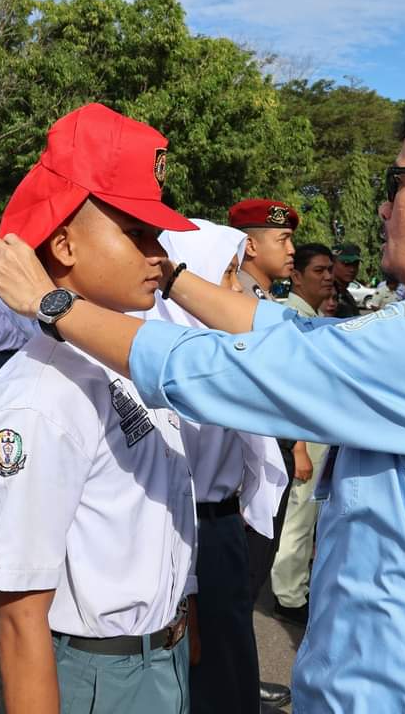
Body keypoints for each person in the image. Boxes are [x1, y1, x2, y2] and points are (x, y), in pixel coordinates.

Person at [0, 78, 405, 713]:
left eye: (395, 185)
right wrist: (175, 279)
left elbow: (231, 368)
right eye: (138, 235)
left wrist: (53, 304)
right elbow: (302, 335)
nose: (381, 209)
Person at [0, 102, 202, 714]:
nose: (160, 254)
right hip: (104, 675)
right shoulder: (41, 400)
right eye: (136, 233)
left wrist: (183, 623)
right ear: (65, 244)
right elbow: (21, 619)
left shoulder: (121, 359)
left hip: (159, 658)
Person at [143, 219, 289, 714]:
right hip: (192, 532)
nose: (231, 290)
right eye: (225, 275)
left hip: (224, 524)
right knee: (203, 659)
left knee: (230, 647)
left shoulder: (217, 351)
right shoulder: (172, 369)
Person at [227, 197, 297, 708]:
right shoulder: (234, 303)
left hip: (272, 451)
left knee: (246, 586)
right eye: (282, 240)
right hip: (248, 461)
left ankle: (236, 682)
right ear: (249, 245)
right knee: (239, 583)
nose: (290, 249)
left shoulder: (265, 301)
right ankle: (232, 689)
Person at [270, 243, 334, 628]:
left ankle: (295, 586)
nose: (327, 277)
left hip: (314, 434)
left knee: (305, 518)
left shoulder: (309, 314)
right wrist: (298, 448)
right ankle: (289, 595)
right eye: (318, 271)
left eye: (330, 270)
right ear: (296, 277)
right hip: (303, 438)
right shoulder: (291, 316)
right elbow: (287, 390)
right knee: (297, 518)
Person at [229, 198, 297, 301]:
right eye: (282, 240)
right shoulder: (239, 299)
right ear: (250, 247)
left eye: (290, 240)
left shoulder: (263, 295)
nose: (291, 250)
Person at [329, 243, 362, 317]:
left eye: (355, 264)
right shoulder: (325, 295)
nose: (352, 269)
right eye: (346, 263)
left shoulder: (347, 296)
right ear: (332, 263)